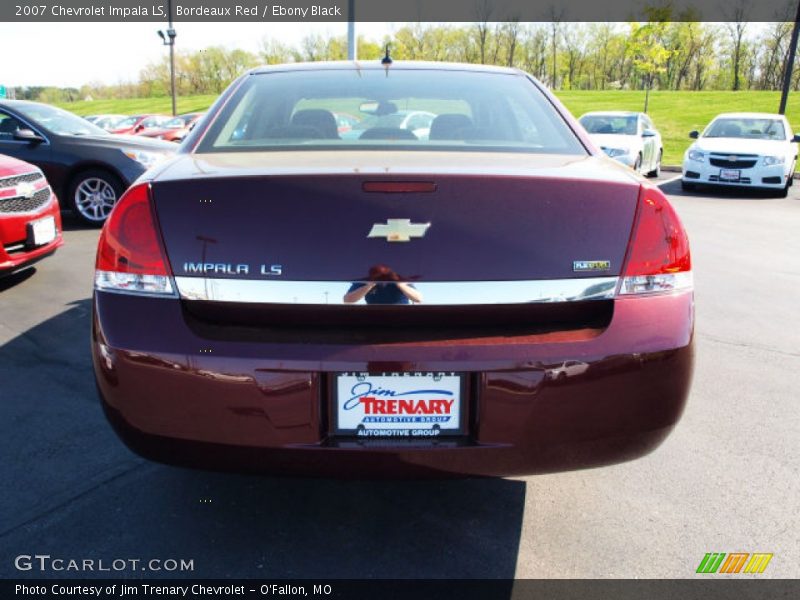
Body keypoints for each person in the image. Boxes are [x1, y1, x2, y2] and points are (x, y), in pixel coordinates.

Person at [343, 264, 422, 305]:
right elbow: (347, 300)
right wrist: (369, 285)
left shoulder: (400, 279)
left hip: (401, 316)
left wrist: (399, 284)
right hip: (375, 317)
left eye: (385, 273)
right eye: (378, 273)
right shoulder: (366, 281)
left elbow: (418, 299)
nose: (382, 276)